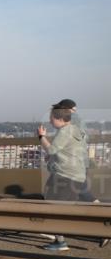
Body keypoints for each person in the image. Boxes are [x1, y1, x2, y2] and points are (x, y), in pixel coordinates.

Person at [38, 102, 89, 251]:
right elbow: (68, 151)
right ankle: (59, 239)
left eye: (51, 118)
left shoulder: (65, 131)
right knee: (63, 208)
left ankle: (60, 242)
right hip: (77, 174)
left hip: (65, 175)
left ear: (58, 118)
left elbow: (52, 150)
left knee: (54, 206)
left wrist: (41, 137)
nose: (50, 121)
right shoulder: (76, 129)